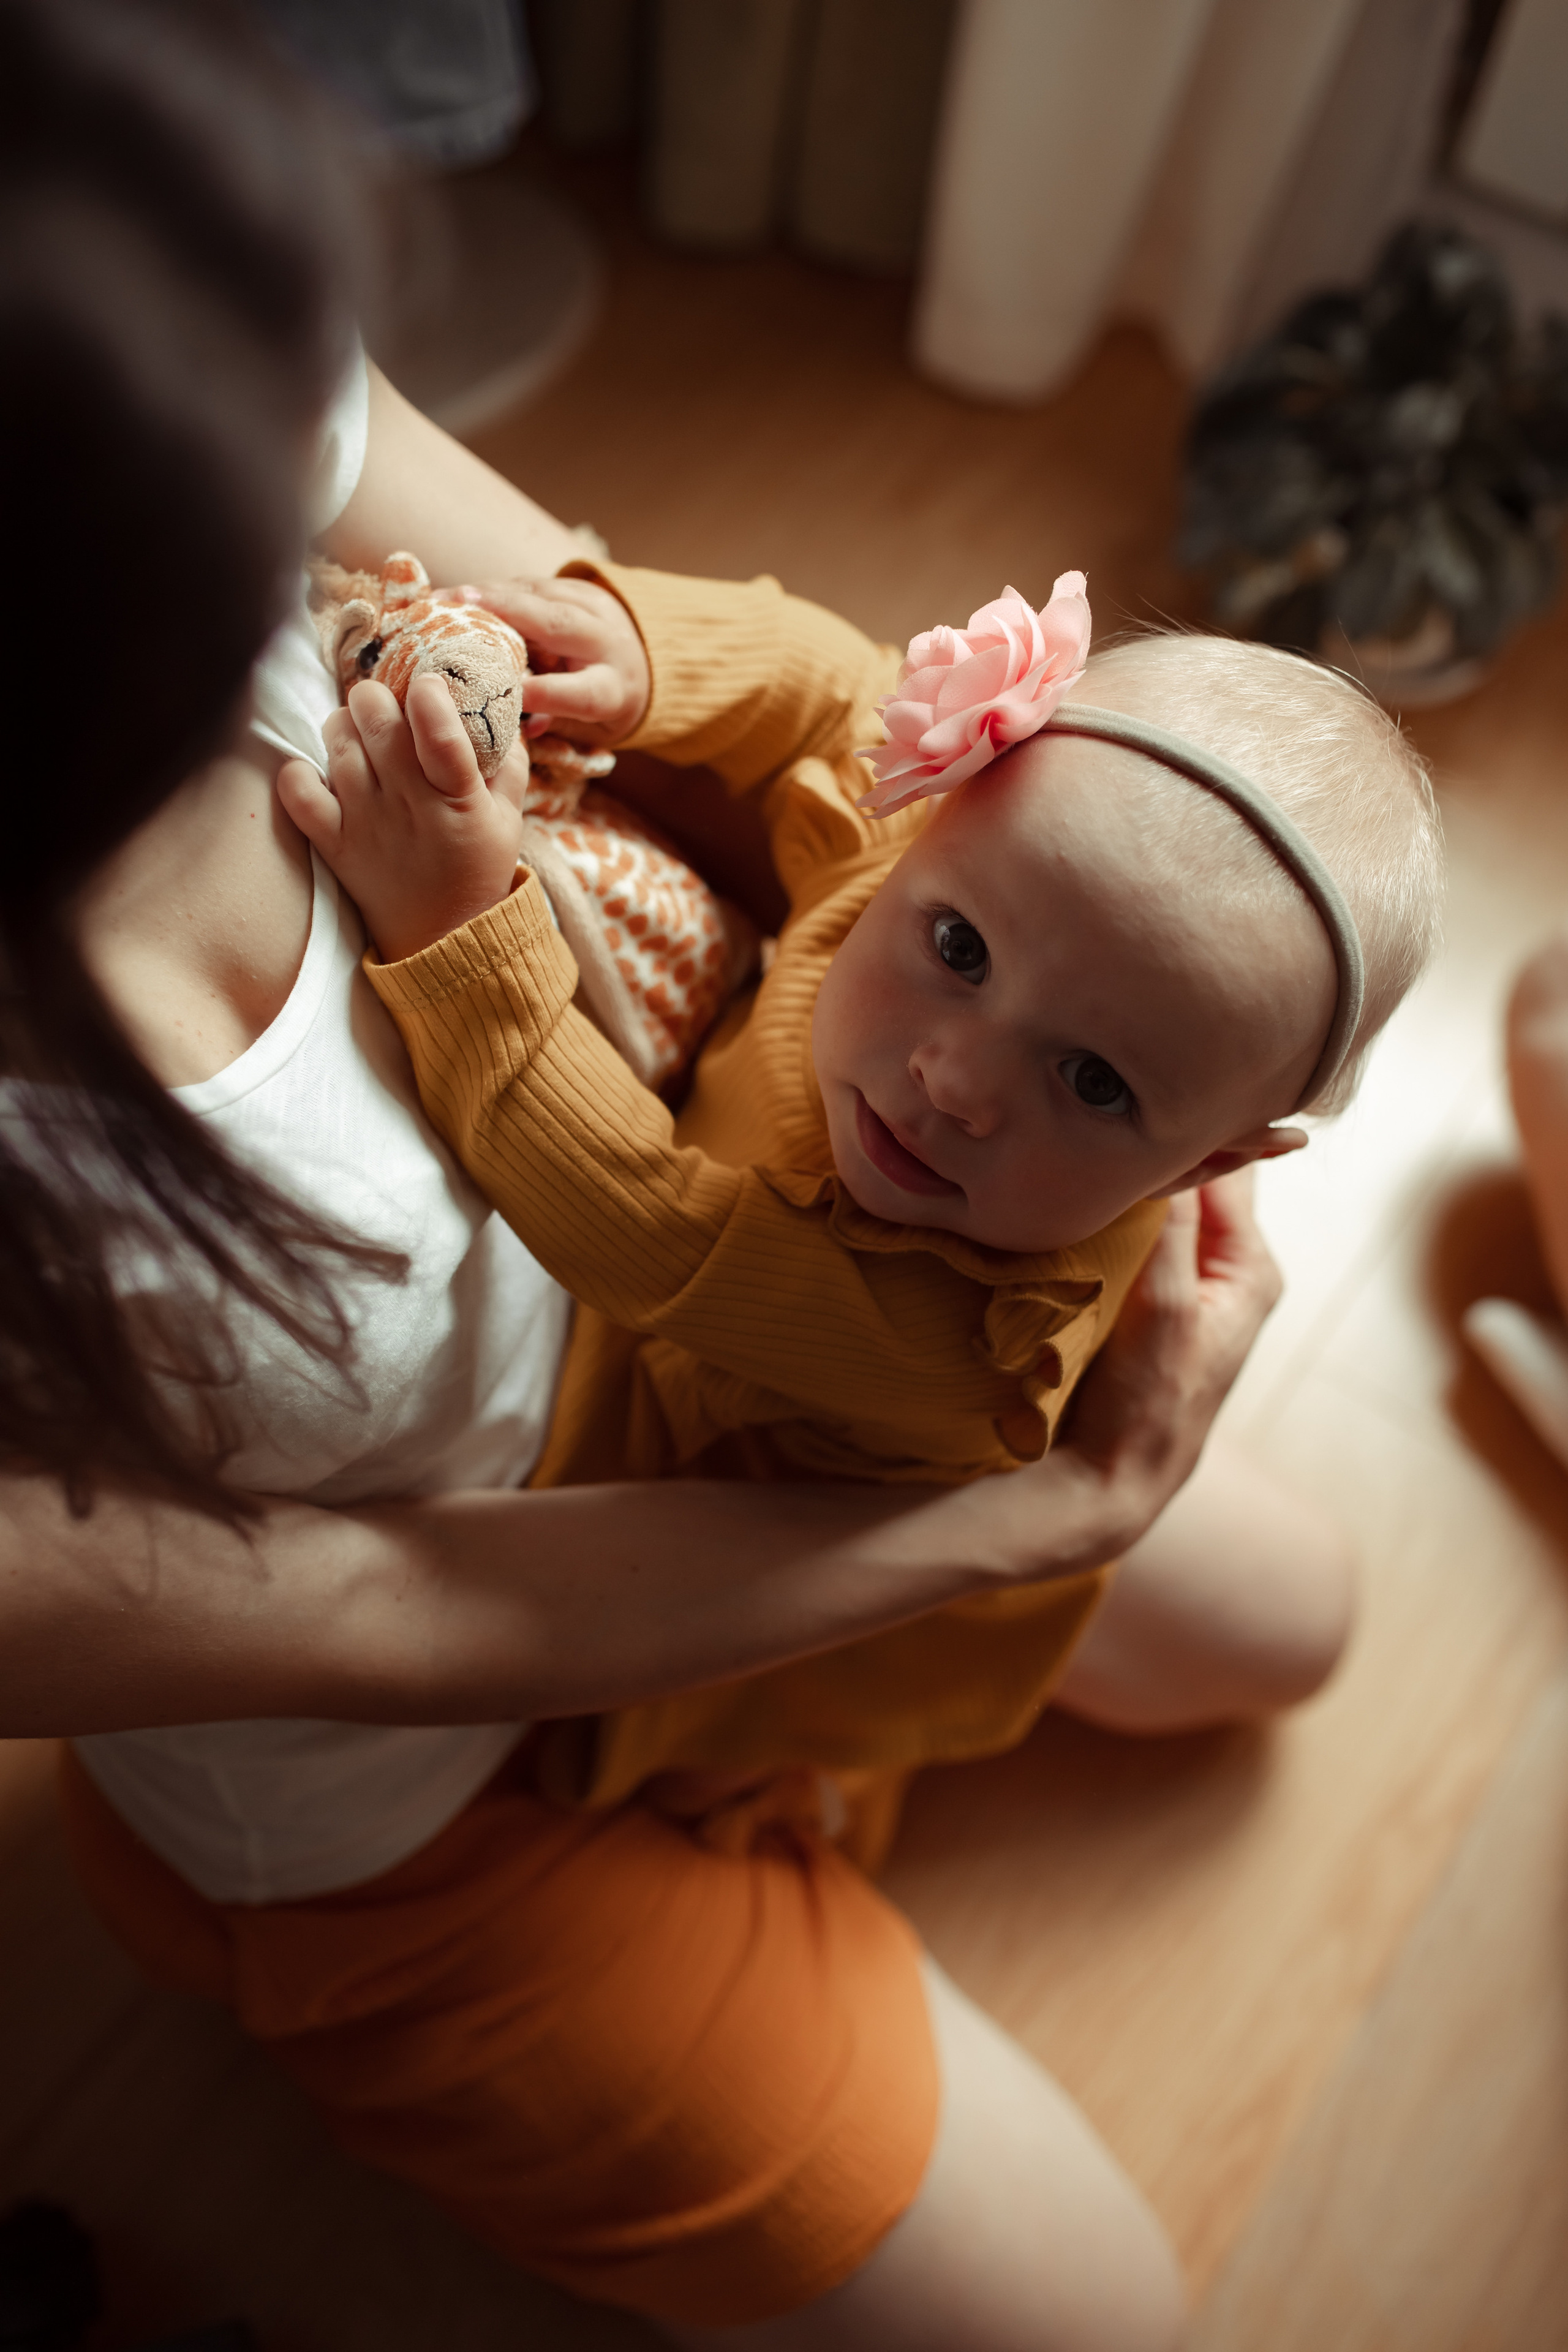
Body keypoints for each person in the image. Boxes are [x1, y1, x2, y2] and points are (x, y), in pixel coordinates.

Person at [0, 2, 1341, 2345]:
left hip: (690, 1388)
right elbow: (459, 1541)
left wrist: (648, 651)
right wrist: (1043, 1509)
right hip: (412, 1772)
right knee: (1109, 2319)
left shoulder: (123, 296)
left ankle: (783, 1769)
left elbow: (796, 691)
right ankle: (311, 1943)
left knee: (1299, 1619)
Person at [281, 570, 1441, 1828]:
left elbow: (646, 1228)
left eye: (1093, 1084)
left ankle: (777, 1774)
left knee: (731, 1746)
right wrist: (645, 654)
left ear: (1205, 1170)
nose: (951, 1081)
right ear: (939, 803)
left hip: (752, 1518)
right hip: (865, 1397)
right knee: (1278, 1607)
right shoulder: (989, 865)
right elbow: (838, 688)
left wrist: (458, 927)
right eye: (956, 954)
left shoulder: (941, 1330)